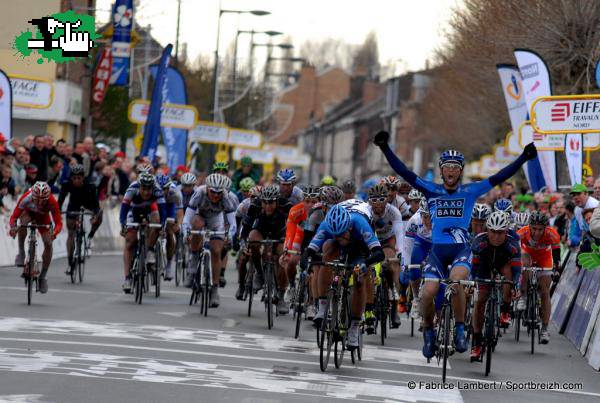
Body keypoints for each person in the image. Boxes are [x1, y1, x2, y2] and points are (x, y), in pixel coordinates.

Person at [373, 130, 537, 358]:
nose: (451, 170)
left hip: (461, 250)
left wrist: (523, 158)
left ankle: (460, 329)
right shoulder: (431, 190)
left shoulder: (471, 191)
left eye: (455, 167)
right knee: (427, 293)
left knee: (457, 282)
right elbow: (404, 172)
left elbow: (500, 176)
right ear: (441, 170)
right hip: (437, 253)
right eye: (447, 167)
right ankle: (428, 331)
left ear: (460, 171)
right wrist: (385, 148)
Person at [305, 204, 384, 349]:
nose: (339, 238)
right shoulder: (327, 226)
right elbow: (310, 249)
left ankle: (354, 326)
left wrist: (365, 264)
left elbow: (379, 253)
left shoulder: (360, 224)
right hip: (338, 240)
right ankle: (322, 308)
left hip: (359, 244)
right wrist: (305, 261)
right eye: (335, 235)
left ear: (349, 228)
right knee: (327, 257)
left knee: (359, 278)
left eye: (341, 234)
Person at [470, 211, 521, 361]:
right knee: (480, 301)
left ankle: (505, 309)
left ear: (506, 231)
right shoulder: (479, 241)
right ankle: (477, 342)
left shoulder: (513, 244)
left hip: (503, 263)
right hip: (484, 266)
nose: (496, 236)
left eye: (500, 233)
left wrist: (515, 286)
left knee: (509, 275)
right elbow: (474, 269)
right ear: (487, 229)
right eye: (493, 232)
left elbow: (517, 270)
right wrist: (471, 283)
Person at [183, 173, 237, 307]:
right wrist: (186, 231)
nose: (216, 195)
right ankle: (194, 259)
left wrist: (229, 235)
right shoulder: (199, 193)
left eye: (219, 193)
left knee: (216, 251)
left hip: (216, 220)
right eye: (213, 192)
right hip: (200, 216)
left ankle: (214, 290)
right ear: (207, 188)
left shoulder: (226, 197)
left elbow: (232, 223)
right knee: (196, 224)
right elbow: (188, 217)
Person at [240, 184, 292, 314]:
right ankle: (259, 273)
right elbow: (246, 226)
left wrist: (291, 243)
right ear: (261, 201)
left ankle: (281, 296)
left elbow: (294, 225)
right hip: (261, 230)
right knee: (253, 240)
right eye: (265, 202)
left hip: (280, 233)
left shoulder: (286, 205)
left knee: (283, 258)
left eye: (271, 203)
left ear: (277, 201)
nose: (268, 206)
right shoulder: (255, 205)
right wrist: (243, 243)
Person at [9, 182, 62, 293]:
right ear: (32, 196)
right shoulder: (26, 197)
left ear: (48, 198)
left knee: (48, 243)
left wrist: (54, 233)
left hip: (43, 217)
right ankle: (21, 252)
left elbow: (58, 223)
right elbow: (14, 217)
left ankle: (43, 276)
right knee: (22, 223)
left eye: (43, 200)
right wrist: (13, 227)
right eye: (37, 199)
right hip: (28, 214)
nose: (40, 203)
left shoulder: (52, 201)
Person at [516, 211, 561, 344]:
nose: (536, 232)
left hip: (544, 259)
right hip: (527, 255)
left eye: (540, 229)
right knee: (524, 264)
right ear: (529, 226)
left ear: (545, 228)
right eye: (534, 228)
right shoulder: (522, 232)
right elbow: (514, 251)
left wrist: (556, 270)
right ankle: (523, 295)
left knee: (545, 291)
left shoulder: (552, 234)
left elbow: (557, 256)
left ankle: (544, 329)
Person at [119, 173, 166, 293]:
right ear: (139, 187)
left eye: (148, 189)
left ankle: (150, 250)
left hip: (149, 210)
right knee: (130, 242)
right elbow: (123, 209)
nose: (146, 192)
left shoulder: (157, 190)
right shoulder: (132, 189)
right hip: (133, 210)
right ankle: (127, 278)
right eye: (143, 189)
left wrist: (162, 226)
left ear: (152, 187)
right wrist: (123, 224)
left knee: (157, 222)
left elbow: (163, 211)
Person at [367, 183, 404, 328]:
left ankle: (394, 304)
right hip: (371, 241)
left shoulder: (393, 212)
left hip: (388, 241)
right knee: (369, 269)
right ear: (369, 201)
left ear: (386, 200)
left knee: (393, 265)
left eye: (381, 200)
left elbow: (399, 234)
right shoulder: (366, 210)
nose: (377, 204)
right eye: (374, 200)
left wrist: (400, 253)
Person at [279, 185, 320, 305]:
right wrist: (287, 248)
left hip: (316, 238)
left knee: (315, 268)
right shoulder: (296, 210)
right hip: (300, 235)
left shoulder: (323, 212)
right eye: (307, 201)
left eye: (314, 202)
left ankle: (312, 301)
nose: (310, 205)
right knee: (292, 261)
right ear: (302, 201)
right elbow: (290, 232)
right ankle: (291, 286)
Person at [58, 164, 103, 274]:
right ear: (71, 178)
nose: (77, 180)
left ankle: (90, 236)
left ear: (83, 177)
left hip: (89, 204)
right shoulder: (66, 184)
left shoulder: (91, 185)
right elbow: (60, 202)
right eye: (74, 178)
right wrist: (58, 212)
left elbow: (96, 206)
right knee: (71, 234)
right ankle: (70, 263)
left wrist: (95, 216)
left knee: (100, 215)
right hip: (74, 205)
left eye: (79, 178)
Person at [404, 198, 432, 320]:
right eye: (424, 216)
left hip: (437, 244)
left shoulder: (442, 221)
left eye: (430, 217)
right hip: (421, 243)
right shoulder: (414, 221)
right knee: (414, 266)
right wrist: (406, 265)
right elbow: (408, 246)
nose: (427, 221)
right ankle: (415, 298)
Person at [156, 174, 183, 281]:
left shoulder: (175, 192)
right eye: (160, 189)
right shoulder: (153, 190)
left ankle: (168, 265)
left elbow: (180, 211)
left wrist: (178, 224)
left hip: (170, 206)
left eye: (164, 189)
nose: (162, 192)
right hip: (156, 205)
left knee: (170, 231)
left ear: (169, 188)